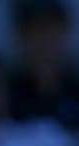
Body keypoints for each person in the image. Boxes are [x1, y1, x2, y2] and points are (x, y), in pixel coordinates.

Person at [7, 0, 79, 132]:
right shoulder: (3, 90)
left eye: (50, 28)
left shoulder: (75, 85)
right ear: (20, 36)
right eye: (35, 29)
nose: (43, 38)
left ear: (65, 31)